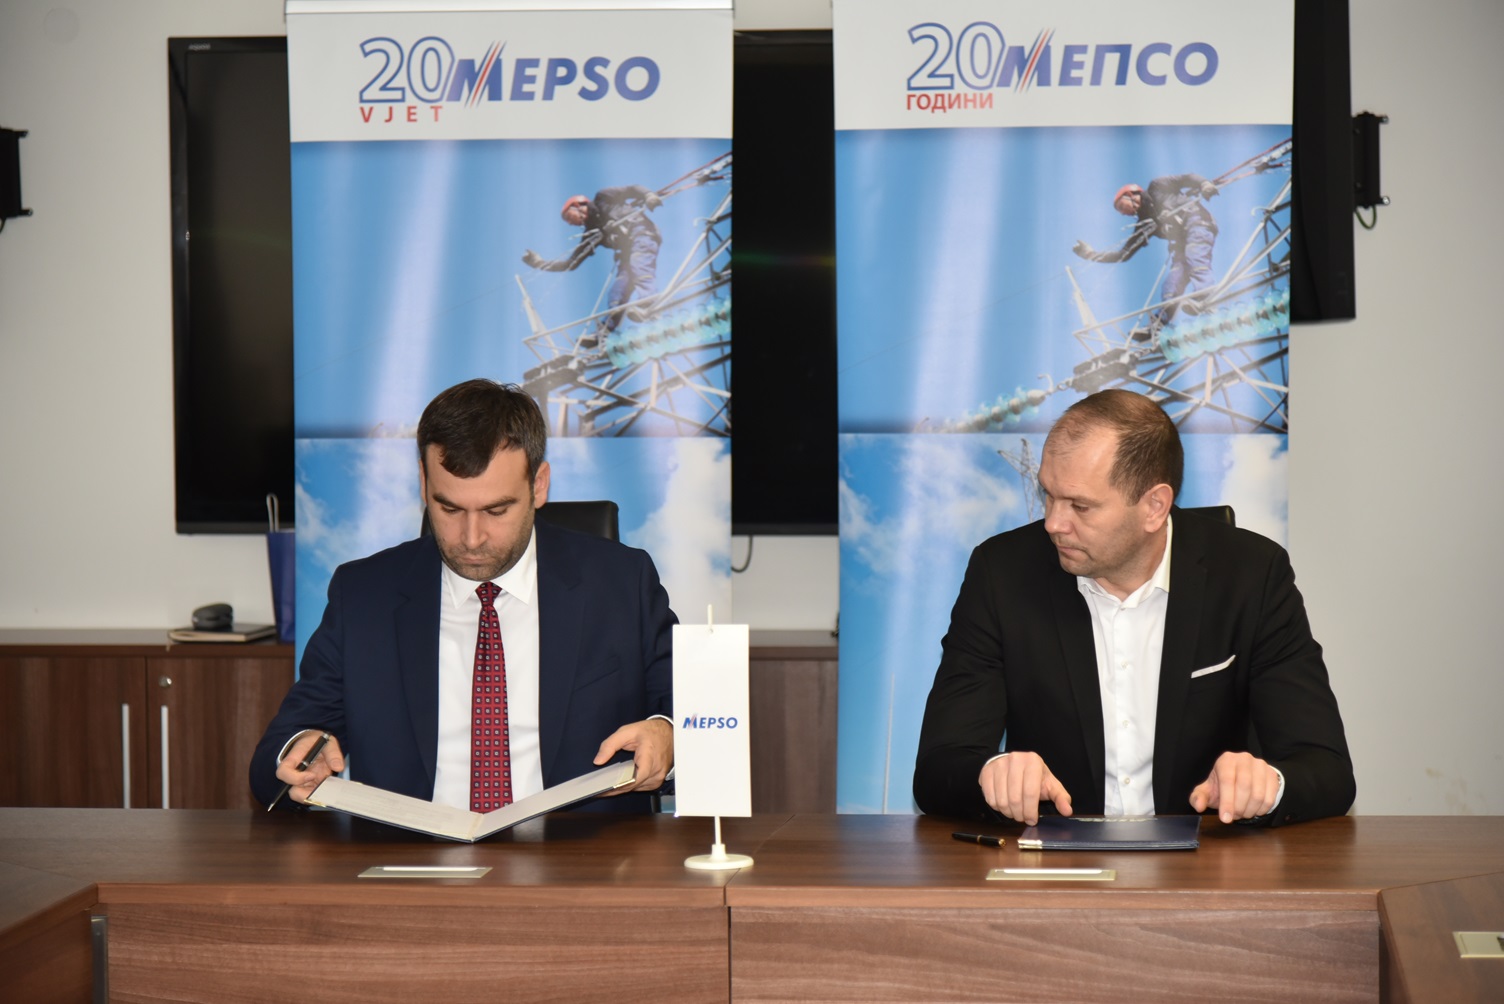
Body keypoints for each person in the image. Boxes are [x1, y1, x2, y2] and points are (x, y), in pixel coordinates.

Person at [913, 389, 1354, 828]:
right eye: (1048, 494)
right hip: (1059, 859)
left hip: (1207, 859)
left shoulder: (1251, 576)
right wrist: (992, 774)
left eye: (1080, 506)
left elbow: (1326, 767)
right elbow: (939, 767)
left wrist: (1267, 784)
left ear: (1154, 507)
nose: (1053, 523)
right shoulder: (1002, 574)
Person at [249, 378, 677, 813]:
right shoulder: (363, 595)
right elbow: (281, 750)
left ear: (539, 485)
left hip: (581, 848)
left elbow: (690, 709)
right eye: (450, 508)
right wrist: (299, 755)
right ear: (423, 483)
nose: (472, 539)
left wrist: (667, 734)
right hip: (408, 849)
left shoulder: (621, 583)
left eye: (496, 510)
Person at [1072, 174, 1220, 340]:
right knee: (1172, 283)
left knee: (1196, 258)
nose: (1123, 213)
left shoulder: (1157, 186)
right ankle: (1159, 324)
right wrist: (1091, 255)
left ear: (1131, 194)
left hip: (1197, 223)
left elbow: (1186, 178)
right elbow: (1124, 254)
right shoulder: (1146, 222)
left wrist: (1204, 184)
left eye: (1121, 207)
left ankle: (1205, 298)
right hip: (1181, 242)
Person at [522, 186, 663, 335]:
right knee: (617, 292)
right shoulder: (592, 233)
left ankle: (649, 303)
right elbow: (571, 264)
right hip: (627, 253)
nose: (570, 223)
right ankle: (606, 332)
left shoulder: (603, 197)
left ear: (577, 205)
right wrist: (539, 263)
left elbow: (631, 189)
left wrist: (648, 195)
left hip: (642, 234)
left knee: (639, 267)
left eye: (568, 217)